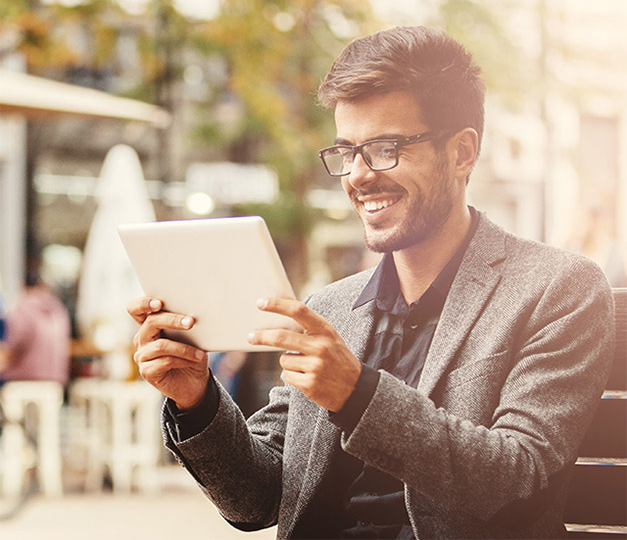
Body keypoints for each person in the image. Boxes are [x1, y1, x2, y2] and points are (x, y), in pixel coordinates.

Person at [128, 26, 615, 539]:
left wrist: (358, 395)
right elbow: (257, 499)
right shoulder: (334, 308)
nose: (358, 176)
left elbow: (518, 478)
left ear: (462, 153)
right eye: (346, 152)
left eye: (385, 148)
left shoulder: (557, 290)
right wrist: (196, 399)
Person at [0, 259, 71, 386]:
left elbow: (13, 346)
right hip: (56, 381)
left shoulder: (24, 308)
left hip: (24, 380)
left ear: (23, 286)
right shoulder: (59, 309)